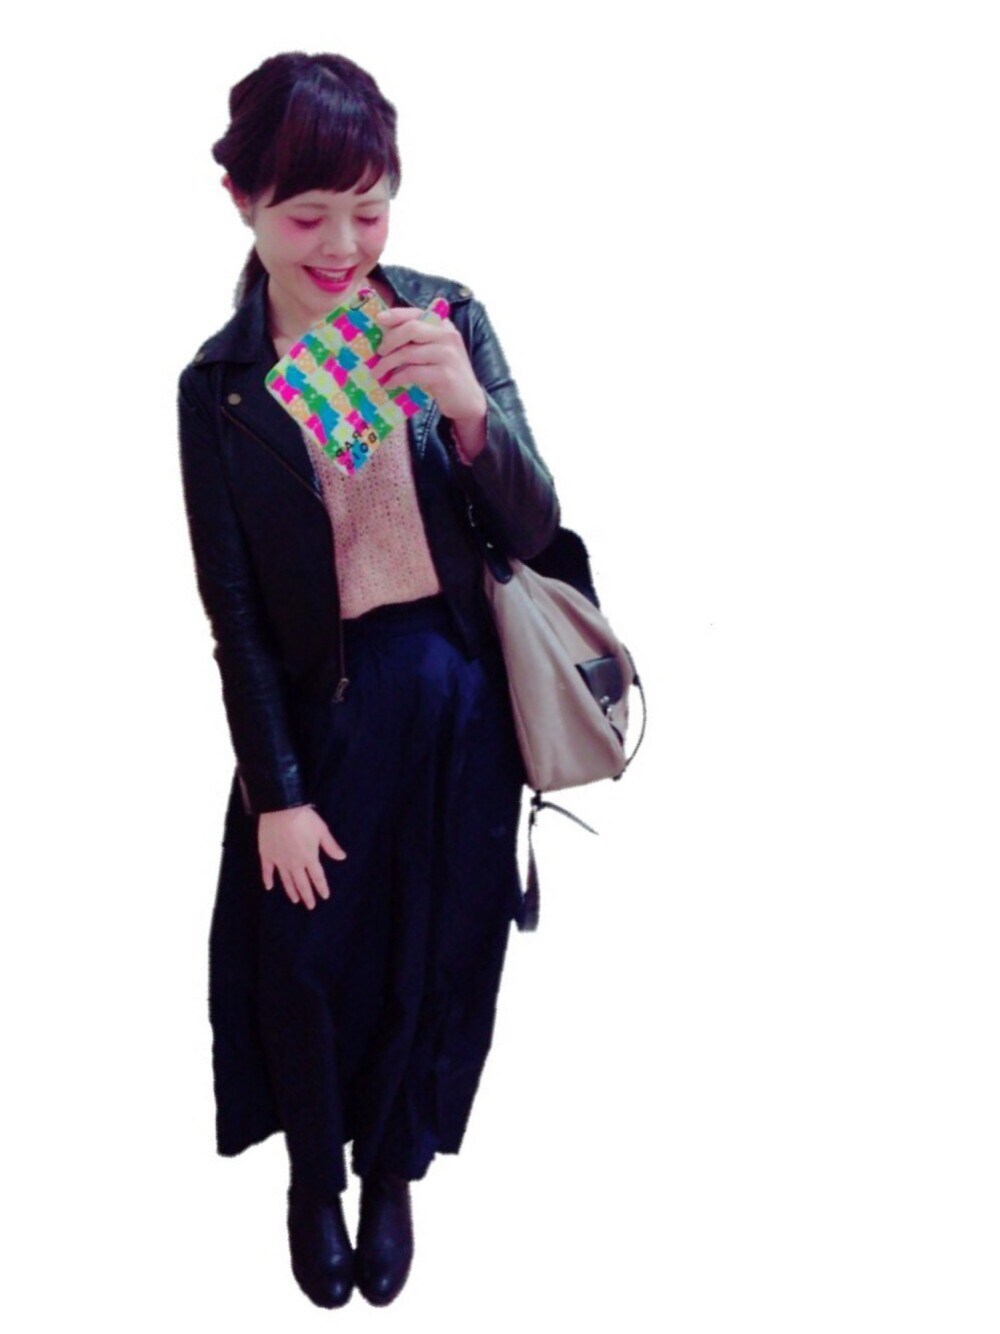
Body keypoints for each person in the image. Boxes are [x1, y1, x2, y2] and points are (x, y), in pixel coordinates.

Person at [176, 52, 561, 1309]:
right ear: (241, 200)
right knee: (304, 956)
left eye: (370, 208)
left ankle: (391, 1169)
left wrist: (468, 413)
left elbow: (537, 528)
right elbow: (235, 610)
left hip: (459, 700)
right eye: (307, 216)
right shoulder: (220, 386)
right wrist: (276, 791)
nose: (343, 246)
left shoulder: (444, 315)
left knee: (433, 948)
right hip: (323, 712)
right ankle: (312, 1176)